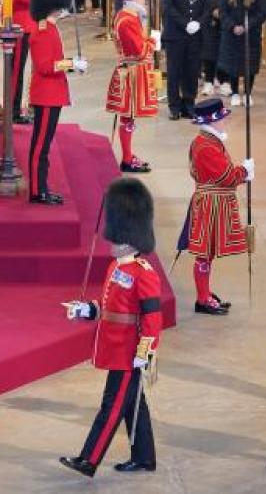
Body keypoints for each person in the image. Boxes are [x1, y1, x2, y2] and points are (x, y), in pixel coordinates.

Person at [60, 178, 162, 477]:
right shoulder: (116, 267)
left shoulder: (144, 273)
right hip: (115, 346)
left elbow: (152, 318)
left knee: (112, 407)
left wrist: (145, 351)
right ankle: (144, 457)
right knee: (132, 405)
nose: (111, 243)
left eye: (116, 239)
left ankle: (88, 459)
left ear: (129, 238)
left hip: (129, 352)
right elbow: (110, 307)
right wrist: (86, 310)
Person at [181, 97, 253, 315]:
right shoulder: (206, 146)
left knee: (208, 253)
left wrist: (243, 173)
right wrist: (244, 172)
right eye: (221, 119)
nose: (225, 122)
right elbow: (227, 177)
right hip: (211, 206)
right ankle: (202, 299)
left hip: (213, 203)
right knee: (204, 253)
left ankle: (204, 293)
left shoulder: (208, 141)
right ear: (211, 121)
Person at [28, 0, 87, 205]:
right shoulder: (42, 30)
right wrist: (71, 63)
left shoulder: (50, 28)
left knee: (45, 144)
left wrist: (72, 65)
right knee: (40, 146)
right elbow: (45, 66)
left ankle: (41, 187)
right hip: (46, 95)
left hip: (52, 94)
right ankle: (36, 190)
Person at [104, 0, 158, 172]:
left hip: (131, 72)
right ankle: (126, 159)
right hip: (131, 75)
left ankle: (128, 156)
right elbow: (139, 51)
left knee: (129, 117)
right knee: (128, 117)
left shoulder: (127, 16)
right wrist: (153, 41)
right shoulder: (127, 21)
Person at [160, 0, 209, 120]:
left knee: (192, 70)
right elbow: (168, 8)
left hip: (195, 35)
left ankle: (189, 104)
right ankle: (174, 107)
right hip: (176, 34)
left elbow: (207, 6)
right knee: (174, 72)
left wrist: (199, 23)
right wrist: (185, 23)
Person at [216, 0, 265, 108]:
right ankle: (235, 93)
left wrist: (247, 25)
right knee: (233, 65)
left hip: (251, 33)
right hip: (232, 34)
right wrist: (232, 26)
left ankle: (248, 93)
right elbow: (223, 11)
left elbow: (262, 12)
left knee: (250, 64)